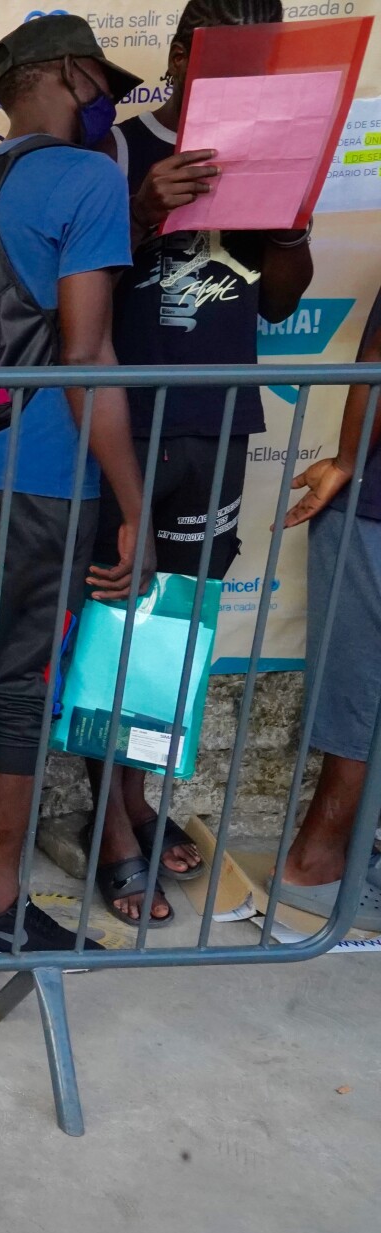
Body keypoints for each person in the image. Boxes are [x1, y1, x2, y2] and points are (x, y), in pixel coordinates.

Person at [0, 16, 153, 954]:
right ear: (65, 72)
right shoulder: (90, 178)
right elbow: (85, 354)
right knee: (18, 688)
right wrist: (134, 509)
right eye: (102, 82)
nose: (109, 103)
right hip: (47, 479)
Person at [91, 0, 312, 922]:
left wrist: (289, 224)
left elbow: (278, 303)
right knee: (112, 621)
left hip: (221, 427)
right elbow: (85, 285)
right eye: (229, 58)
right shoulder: (119, 147)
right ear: (183, 56)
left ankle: (142, 799)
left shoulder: (275, 152)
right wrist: (146, 208)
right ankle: (110, 827)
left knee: (176, 630)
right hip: (130, 431)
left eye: (262, 62)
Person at [277, 290, 381, 906]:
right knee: (359, 704)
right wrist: (346, 459)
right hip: (370, 512)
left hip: (365, 509)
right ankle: (314, 868)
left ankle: (332, 857)